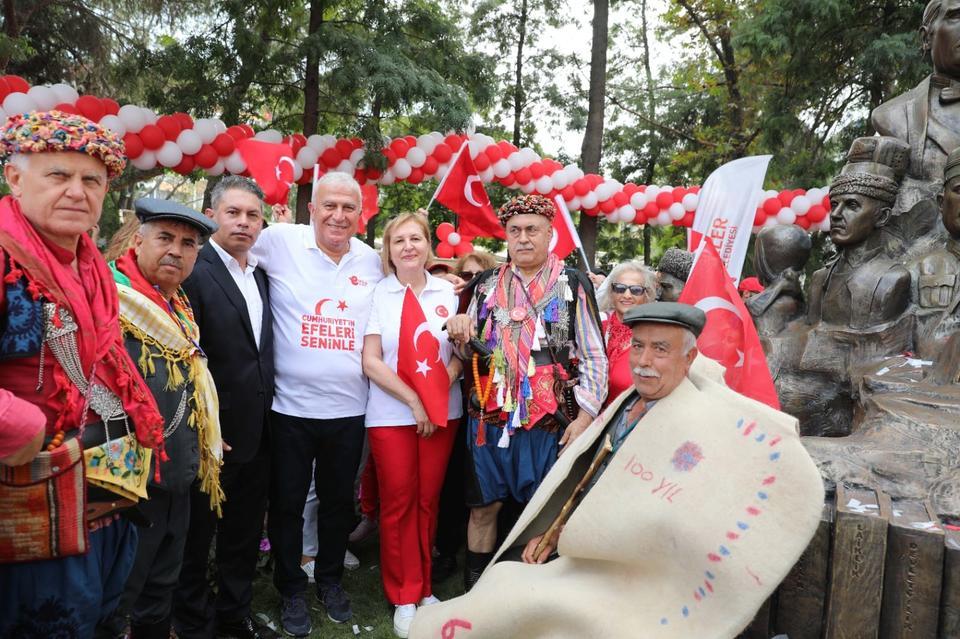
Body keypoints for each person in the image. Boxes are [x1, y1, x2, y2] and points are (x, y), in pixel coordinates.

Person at [410, 303, 825, 639]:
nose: (644, 362)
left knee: (535, 604)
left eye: (660, 350)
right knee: (507, 586)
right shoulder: (629, 402)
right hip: (587, 552)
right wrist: (554, 533)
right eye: (638, 347)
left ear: (690, 357)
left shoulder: (704, 420)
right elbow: (591, 479)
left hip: (642, 577)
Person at [0, 110, 165, 639]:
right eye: (58, 175)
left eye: (91, 180)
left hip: (106, 500)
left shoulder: (91, 262)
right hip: (31, 507)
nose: (77, 191)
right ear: (15, 178)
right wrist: (16, 425)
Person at [445, 194, 608, 590]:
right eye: (515, 231)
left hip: (550, 423)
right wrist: (461, 331)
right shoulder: (485, 285)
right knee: (484, 509)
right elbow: (467, 351)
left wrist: (585, 418)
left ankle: (539, 596)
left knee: (545, 513)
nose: (523, 239)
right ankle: (476, 593)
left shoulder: (573, 284)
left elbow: (593, 357)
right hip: (489, 420)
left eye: (532, 230)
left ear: (550, 234)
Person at [251, 171, 382, 636]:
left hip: (349, 411)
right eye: (330, 205)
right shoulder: (279, 241)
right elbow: (225, 254)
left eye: (349, 208)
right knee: (285, 504)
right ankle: (290, 587)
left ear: (361, 216)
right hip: (288, 410)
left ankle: (327, 581)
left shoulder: (372, 261)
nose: (338, 216)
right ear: (311, 209)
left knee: (336, 504)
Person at [103, 198, 223, 639]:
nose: (176, 250)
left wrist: (206, 431)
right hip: (128, 483)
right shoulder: (113, 300)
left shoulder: (180, 308)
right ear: (138, 241)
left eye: (188, 243)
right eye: (165, 238)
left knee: (162, 588)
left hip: (178, 475)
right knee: (120, 596)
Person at [174, 176, 277, 639]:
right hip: (209, 434)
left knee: (241, 535)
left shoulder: (259, 274)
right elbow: (185, 354)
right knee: (196, 539)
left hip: (260, 431)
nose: (243, 222)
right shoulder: (194, 270)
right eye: (234, 212)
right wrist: (203, 427)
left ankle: (235, 617)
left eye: (253, 215)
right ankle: (194, 624)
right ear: (212, 213)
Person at [361, 212, 463, 637]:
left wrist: (439, 389)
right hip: (391, 414)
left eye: (416, 238)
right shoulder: (377, 294)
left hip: (444, 412)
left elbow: (460, 353)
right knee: (399, 502)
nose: (408, 246)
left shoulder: (451, 292)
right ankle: (403, 594)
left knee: (427, 501)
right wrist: (414, 401)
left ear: (427, 245)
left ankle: (423, 589)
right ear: (388, 249)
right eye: (399, 240)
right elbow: (371, 361)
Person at [807, 136, 912, 329]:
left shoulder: (892, 278)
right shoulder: (820, 278)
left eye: (852, 205)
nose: (836, 215)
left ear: (882, 217)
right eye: (834, 205)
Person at [596, 260, 657, 403]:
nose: (627, 295)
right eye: (620, 288)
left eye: (635, 290)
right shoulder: (596, 326)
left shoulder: (655, 335)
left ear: (646, 295)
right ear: (611, 292)